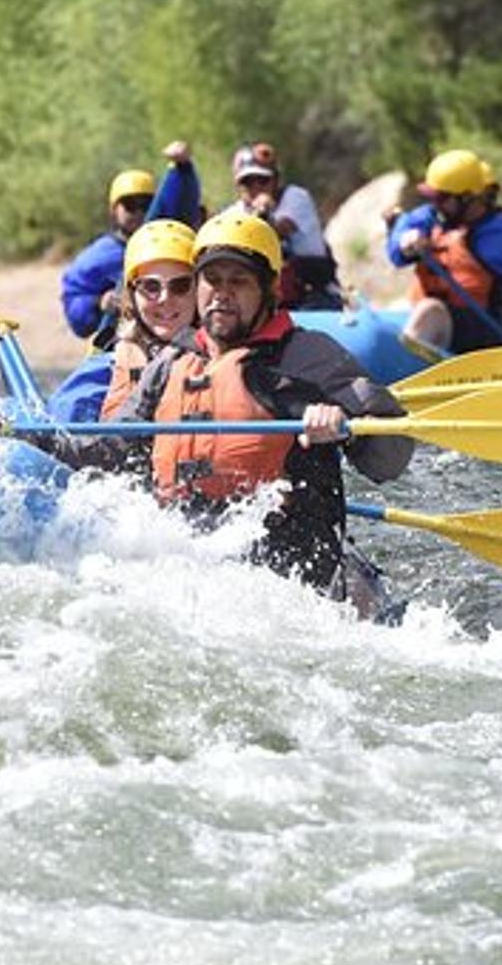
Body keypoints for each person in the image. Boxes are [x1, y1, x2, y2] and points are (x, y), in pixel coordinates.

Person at [48, 211, 413, 615]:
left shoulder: (309, 357)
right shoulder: (172, 361)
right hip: (191, 577)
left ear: (268, 290)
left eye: (238, 282)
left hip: (290, 591)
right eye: (211, 280)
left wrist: (348, 431)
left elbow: (393, 455)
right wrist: (28, 438)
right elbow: (111, 450)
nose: (222, 293)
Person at [384, 149, 502, 353]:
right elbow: (399, 242)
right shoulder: (432, 217)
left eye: (442, 199)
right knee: (400, 309)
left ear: (468, 199)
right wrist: (403, 242)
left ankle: (401, 370)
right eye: (432, 198)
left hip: (494, 338)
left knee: (430, 312)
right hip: (443, 328)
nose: (434, 205)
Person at [58, 148, 203, 348]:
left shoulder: (169, 241)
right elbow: (75, 307)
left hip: (178, 341)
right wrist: (99, 302)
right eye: (129, 205)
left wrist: (184, 168)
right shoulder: (96, 257)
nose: (139, 212)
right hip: (122, 343)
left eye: (145, 204)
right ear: (113, 209)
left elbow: (183, 201)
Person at [97, 218, 200, 422]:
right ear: (132, 295)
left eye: (180, 286)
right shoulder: (103, 371)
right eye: (151, 287)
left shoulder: (227, 361)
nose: (165, 299)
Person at [229, 141, 342, 310]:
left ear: (275, 180)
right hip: (266, 300)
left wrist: (264, 214)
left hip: (313, 294)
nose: (256, 187)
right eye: (247, 182)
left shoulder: (296, 197)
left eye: (263, 180)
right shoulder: (233, 214)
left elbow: (278, 231)